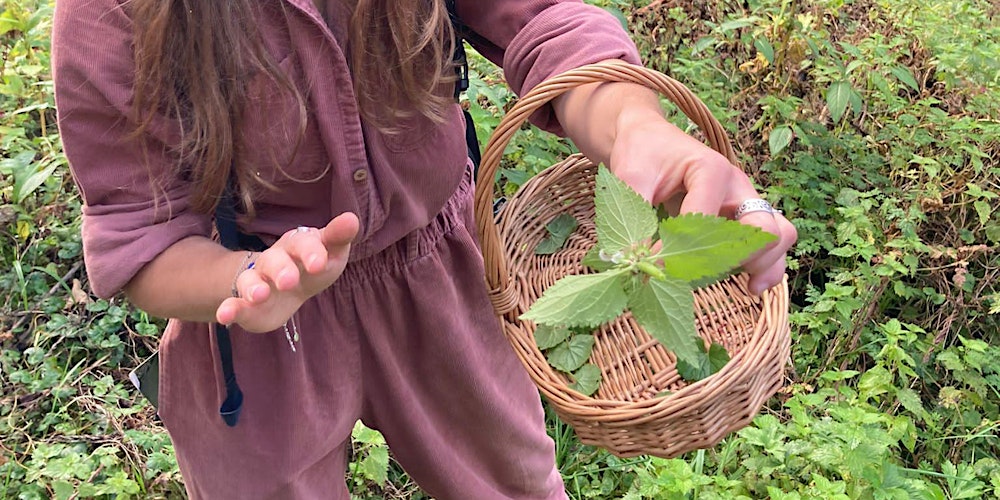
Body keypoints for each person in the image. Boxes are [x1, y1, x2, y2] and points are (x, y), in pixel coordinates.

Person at [52, 0, 797, 498]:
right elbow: (142, 239)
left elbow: (546, 23)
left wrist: (634, 127)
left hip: (435, 269)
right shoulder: (113, 14)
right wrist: (243, 278)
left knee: (506, 478)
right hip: (250, 323)